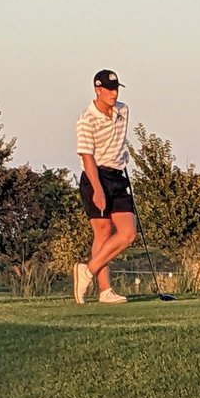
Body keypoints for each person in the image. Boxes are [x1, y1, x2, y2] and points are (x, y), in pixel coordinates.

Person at [73, 69, 138, 304]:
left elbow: (117, 142)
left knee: (128, 234)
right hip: (95, 177)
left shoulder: (123, 110)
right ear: (97, 90)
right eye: (109, 89)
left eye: (116, 88)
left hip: (118, 176)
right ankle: (105, 290)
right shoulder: (85, 120)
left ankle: (87, 271)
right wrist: (98, 189)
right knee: (102, 232)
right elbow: (87, 157)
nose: (114, 93)